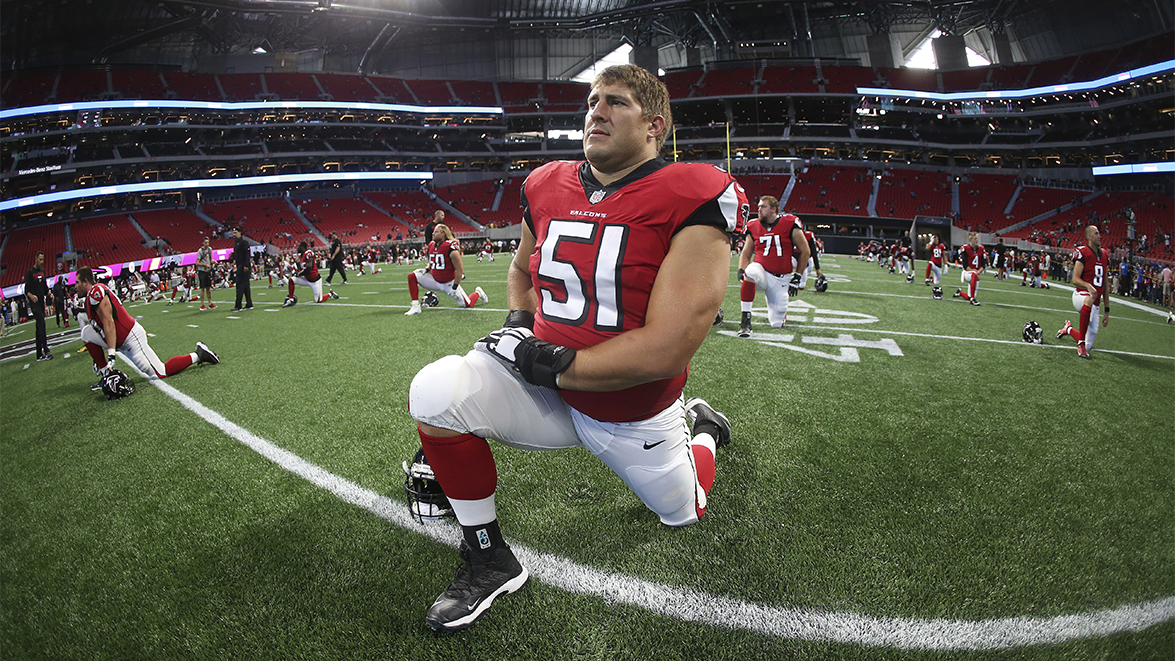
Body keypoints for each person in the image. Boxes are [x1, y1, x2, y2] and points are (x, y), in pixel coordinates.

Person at [405, 64, 744, 632]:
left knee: (682, 513)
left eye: (615, 102)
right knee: (435, 391)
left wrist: (546, 362)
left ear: (655, 125)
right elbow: (521, 270)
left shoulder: (695, 192)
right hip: (549, 385)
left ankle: (704, 429)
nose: (597, 112)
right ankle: (489, 559)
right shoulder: (544, 183)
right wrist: (519, 323)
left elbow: (666, 349)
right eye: (592, 101)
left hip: (630, 408)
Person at [75, 267, 219, 391]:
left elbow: (108, 322)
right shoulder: (90, 297)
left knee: (160, 372)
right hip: (120, 340)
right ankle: (105, 373)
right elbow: (98, 328)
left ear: (86, 281)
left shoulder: (96, 292)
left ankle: (199, 354)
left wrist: (111, 354)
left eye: (77, 282)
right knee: (86, 333)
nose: (75, 286)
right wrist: (99, 360)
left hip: (130, 338)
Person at [735, 195, 808, 337]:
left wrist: (797, 277)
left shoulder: (790, 222)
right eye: (759, 206)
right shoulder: (753, 225)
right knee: (751, 272)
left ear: (773, 209)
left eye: (763, 206)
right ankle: (745, 321)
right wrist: (741, 270)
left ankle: (781, 313)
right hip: (761, 272)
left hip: (781, 278)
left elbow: (805, 251)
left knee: (777, 324)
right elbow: (746, 253)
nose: (759, 209)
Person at [404, 223, 487, 315]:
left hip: (449, 283)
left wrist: (454, 288)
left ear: (443, 234)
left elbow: (460, 270)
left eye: (436, 232)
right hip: (435, 280)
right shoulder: (431, 245)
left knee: (468, 304)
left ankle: (478, 292)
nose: (433, 234)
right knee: (412, 276)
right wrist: (427, 269)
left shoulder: (450, 248)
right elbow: (432, 261)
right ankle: (415, 306)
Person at [1056, 225, 1111, 359]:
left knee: (1089, 344)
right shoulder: (1083, 252)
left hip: (1095, 302)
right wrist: (1088, 286)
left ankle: (1068, 329)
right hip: (1080, 296)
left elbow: (1105, 284)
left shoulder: (1104, 255)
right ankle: (1080, 345)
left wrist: (1107, 311)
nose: (1100, 236)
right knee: (1089, 298)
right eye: (1097, 233)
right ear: (1090, 237)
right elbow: (1075, 279)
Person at [283, 241, 338, 307]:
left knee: (318, 300)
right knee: (291, 280)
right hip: (306, 279)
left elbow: (308, 269)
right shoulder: (301, 256)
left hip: (315, 280)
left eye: (299, 246)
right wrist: (296, 271)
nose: (297, 248)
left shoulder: (308, 253)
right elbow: (302, 269)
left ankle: (330, 294)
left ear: (302, 247)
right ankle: (291, 299)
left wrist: (298, 274)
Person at [25, 251, 52, 360]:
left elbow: (44, 287)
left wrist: (49, 293)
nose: (41, 262)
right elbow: (26, 290)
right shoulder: (30, 272)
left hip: (41, 302)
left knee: (38, 328)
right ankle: (46, 350)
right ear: (35, 259)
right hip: (34, 304)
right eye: (40, 259)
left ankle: (38, 354)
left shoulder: (42, 271)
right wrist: (31, 296)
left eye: (43, 260)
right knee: (42, 324)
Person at [953, 231, 985, 306]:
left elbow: (983, 265)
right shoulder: (965, 248)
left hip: (975, 274)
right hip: (967, 273)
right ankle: (973, 300)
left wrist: (977, 272)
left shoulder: (981, 249)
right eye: (975, 238)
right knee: (974, 275)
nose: (977, 240)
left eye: (977, 238)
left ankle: (960, 293)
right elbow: (965, 265)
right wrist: (974, 272)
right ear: (970, 239)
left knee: (969, 296)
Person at [231, 227, 253, 311]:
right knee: (246, 286)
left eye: (235, 232)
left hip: (243, 266)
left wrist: (246, 265)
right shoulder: (236, 243)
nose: (234, 234)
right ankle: (249, 303)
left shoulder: (244, 243)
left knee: (240, 286)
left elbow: (247, 255)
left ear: (240, 232)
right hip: (240, 265)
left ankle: (238, 305)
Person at [196, 236, 217, 310]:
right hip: (202, 271)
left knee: (208, 287)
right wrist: (205, 265)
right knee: (202, 288)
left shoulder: (210, 249)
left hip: (208, 271)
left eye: (208, 242)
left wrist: (213, 261)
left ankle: (210, 303)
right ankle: (202, 304)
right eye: (205, 242)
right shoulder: (200, 251)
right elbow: (197, 263)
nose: (207, 244)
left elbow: (210, 259)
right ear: (203, 243)